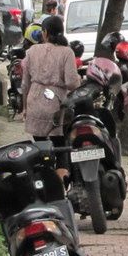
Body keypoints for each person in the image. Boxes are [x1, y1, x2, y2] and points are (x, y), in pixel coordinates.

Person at [20, 15, 81, 176]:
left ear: (45, 33)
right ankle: (60, 183)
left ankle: (44, 178)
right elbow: (72, 83)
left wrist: (25, 108)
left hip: (35, 101)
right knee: (60, 147)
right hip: (56, 104)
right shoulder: (67, 52)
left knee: (40, 147)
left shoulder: (32, 51)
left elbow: (25, 84)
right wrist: (80, 80)